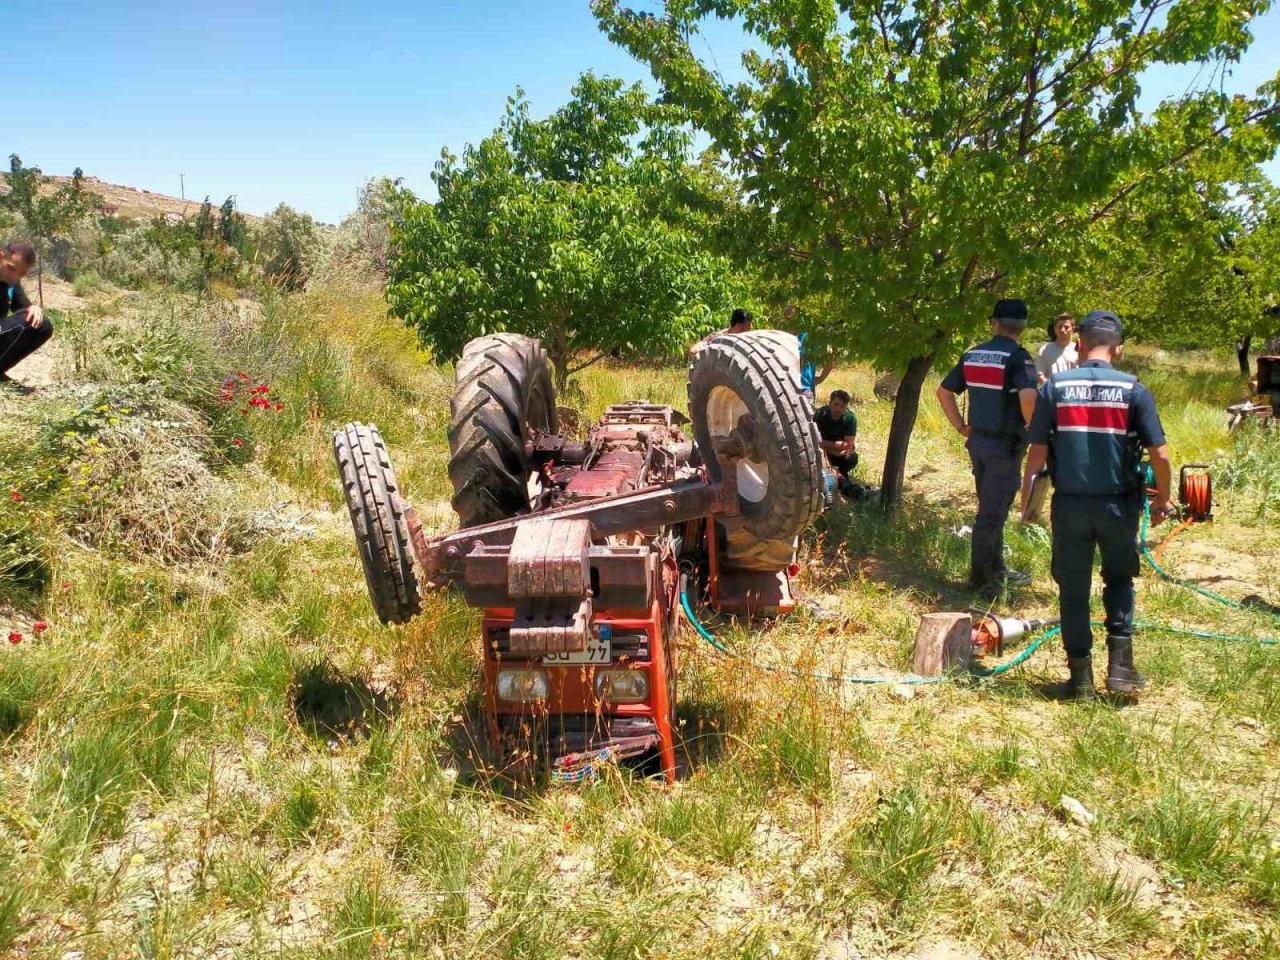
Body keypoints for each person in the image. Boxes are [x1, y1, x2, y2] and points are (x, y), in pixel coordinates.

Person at [1020, 310, 1172, 700]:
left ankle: (1080, 681)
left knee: (1072, 588)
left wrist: (1028, 503)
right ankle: (1121, 670)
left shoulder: (1054, 387)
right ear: (1118, 349)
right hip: (1119, 508)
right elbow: (1161, 454)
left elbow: (1037, 451)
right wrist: (1164, 501)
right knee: (1119, 580)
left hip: (1070, 506)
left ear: (1080, 345)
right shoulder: (1134, 390)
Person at [936, 298, 1039, 594]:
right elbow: (1029, 397)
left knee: (993, 508)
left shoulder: (973, 355)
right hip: (1005, 446)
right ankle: (981, 582)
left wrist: (961, 427)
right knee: (990, 515)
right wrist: (1035, 433)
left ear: (994, 323)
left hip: (978, 441)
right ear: (1022, 327)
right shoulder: (1019, 358)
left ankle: (996, 568)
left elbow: (944, 392)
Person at [0, 241, 50, 389]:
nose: (14, 276)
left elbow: (23, 307)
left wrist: (34, 308)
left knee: (42, 325)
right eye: (11, 268)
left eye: (21, 273)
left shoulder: (11, 282)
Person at [814, 389, 860, 496]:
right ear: (830, 403)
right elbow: (814, 440)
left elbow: (848, 445)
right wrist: (833, 449)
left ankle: (839, 479)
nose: (838, 409)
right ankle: (842, 481)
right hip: (823, 451)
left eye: (843, 406)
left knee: (851, 458)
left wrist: (823, 444)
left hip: (839, 452)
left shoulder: (850, 418)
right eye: (836, 404)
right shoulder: (821, 414)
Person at [1035, 313, 1078, 382]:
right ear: (1055, 329)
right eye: (1060, 327)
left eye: (1066, 327)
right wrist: (1051, 387)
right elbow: (1039, 374)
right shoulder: (1045, 349)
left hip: (1072, 391)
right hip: (1052, 391)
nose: (1062, 330)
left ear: (1073, 329)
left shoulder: (1078, 349)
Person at [798, 331, 834, 405]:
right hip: (805, 388)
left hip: (782, 388)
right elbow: (830, 357)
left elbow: (830, 356)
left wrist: (821, 378)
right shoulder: (813, 335)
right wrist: (821, 378)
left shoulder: (779, 336)